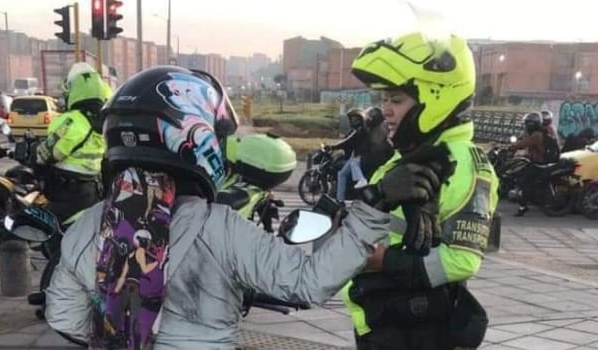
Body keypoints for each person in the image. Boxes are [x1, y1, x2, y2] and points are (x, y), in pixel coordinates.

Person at [45, 66, 442, 349]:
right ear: (192, 134)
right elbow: (307, 282)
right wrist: (375, 203)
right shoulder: (218, 226)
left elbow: (65, 319)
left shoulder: (84, 228)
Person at [342, 32, 499, 349]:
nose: (385, 110)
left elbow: (462, 260)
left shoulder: (463, 163)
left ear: (436, 97)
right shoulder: (404, 158)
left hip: (418, 332)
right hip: (384, 321)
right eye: (384, 99)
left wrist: (384, 261)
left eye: (396, 100)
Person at [36, 63, 111, 222]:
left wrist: (32, 154)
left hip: (66, 194)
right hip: (91, 190)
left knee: (43, 230)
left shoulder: (73, 121)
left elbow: (46, 154)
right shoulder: (104, 122)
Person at [508, 112, 546, 216]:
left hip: (539, 163)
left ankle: (523, 206)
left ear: (531, 124)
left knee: (523, 181)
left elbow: (524, 143)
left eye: (527, 124)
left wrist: (511, 147)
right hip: (537, 161)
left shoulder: (536, 135)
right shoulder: (539, 133)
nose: (525, 126)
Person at [329, 108, 370, 201]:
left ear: (360, 119)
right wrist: (334, 145)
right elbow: (347, 139)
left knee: (353, 163)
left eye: (355, 119)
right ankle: (340, 200)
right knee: (341, 174)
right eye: (352, 119)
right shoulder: (355, 130)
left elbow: (348, 142)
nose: (353, 121)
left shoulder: (361, 130)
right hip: (355, 156)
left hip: (361, 157)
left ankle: (361, 180)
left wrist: (332, 147)